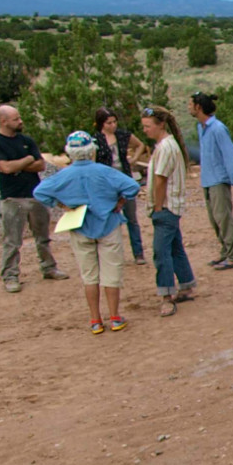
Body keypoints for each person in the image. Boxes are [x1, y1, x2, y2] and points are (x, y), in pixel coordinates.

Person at [32, 130, 142, 334]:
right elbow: (131, 186)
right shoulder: (104, 171)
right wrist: (119, 201)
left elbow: (39, 192)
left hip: (80, 225)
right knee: (111, 273)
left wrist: (62, 206)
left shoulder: (64, 175)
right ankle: (115, 317)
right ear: (91, 150)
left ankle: (95, 320)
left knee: (89, 276)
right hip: (107, 223)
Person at [0, 103, 68, 293]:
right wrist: (27, 160)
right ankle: (10, 275)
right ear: (3, 121)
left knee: (43, 236)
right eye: (16, 119)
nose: (20, 121)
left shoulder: (26, 140)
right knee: (12, 240)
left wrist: (18, 165)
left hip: (35, 194)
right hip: (12, 198)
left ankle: (49, 267)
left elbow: (40, 165)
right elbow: (5, 168)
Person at [140, 107, 196, 317]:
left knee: (161, 252)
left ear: (160, 124)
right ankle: (186, 284)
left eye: (148, 126)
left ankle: (167, 295)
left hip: (166, 207)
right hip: (172, 206)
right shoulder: (169, 145)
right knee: (175, 247)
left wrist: (157, 206)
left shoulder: (165, 148)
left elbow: (160, 180)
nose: (145, 130)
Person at [189, 92, 233, 269]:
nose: (188, 107)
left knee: (224, 218)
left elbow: (230, 154)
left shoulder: (217, 128)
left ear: (198, 107)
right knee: (214, 219)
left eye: (190, 104)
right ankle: (225, 252)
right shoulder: (202, 128)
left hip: (218, 179)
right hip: (207, 179)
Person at [93, 108, 149, 265]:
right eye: (108, 123)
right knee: (109, 219)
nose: (113, 125)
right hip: (107, 183)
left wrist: (134, 159)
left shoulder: (123, 135)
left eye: (114, 122)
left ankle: (138, 253)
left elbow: (140, 144)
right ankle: (112, 253)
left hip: (124, 178)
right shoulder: (96, 140)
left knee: (132, 217)